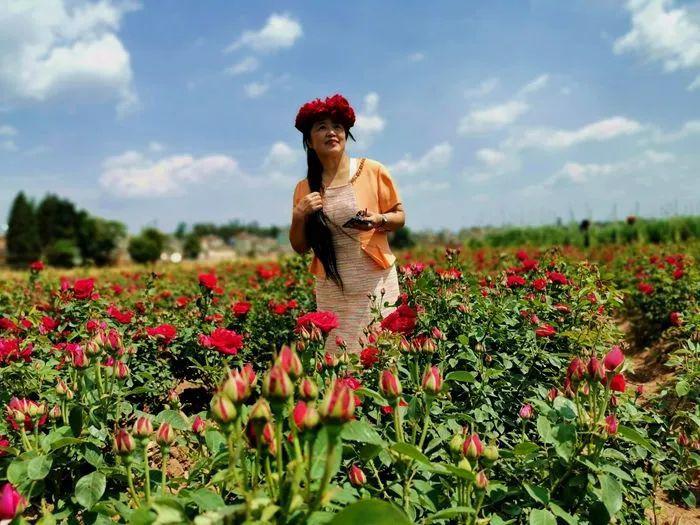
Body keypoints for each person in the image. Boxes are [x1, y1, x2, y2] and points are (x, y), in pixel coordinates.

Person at [289, 94, 405, 354]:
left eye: (337, 127)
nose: (331, 132)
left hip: (375, 281)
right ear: (309, 141)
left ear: (346, 135)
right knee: (338, 360)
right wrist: (299, 215)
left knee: (383, 353)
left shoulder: (372, 170)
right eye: (321, 127)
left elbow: (399, 217)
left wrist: (379, 220)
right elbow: (299, 246)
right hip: (333, 288)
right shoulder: (304, 188)